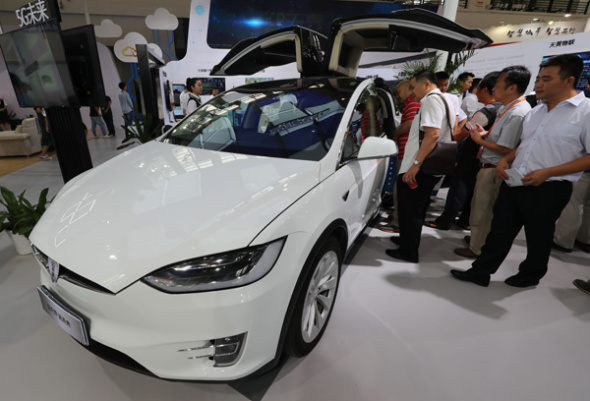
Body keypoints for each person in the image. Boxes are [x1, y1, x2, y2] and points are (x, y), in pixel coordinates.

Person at [451, 54, 590, 288]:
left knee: (538, 236)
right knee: (499, 230)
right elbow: (525, 144)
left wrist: (548, 172)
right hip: (515, 180)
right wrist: (506, 159)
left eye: (546, 79)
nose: (539, 84)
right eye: (539, 78)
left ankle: (530, 275)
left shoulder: (585, 113)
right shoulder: (537, 110)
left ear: (569, 81)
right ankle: (480, 271)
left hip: (550, 187)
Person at [454, 65, 531, 259]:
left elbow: (508, 148)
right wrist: (486, 134)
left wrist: (480, 140)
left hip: (494, 168)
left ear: (511, 88)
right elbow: (503, 138)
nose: (493, 89)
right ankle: (477, 240)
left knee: (483, 211)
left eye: (498, 84)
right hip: (489, 166)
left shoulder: (517, 112)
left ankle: (477, 248)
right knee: (480, 208)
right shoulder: (509, 107)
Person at [385, 69, 456, 263]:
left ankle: (409, 252)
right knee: (415, 208)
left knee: (411, 209)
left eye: (413, 87)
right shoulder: (446, 99)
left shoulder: (431, 100)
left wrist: (416, 164)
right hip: (428, 166)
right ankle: (406, 241)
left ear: (426, 84)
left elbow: (432, 134)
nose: (412, 91)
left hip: (419, 167)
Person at [425, 72, 502, 231]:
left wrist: (445, 137)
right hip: (483, 157)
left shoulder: (485, 112)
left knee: (459, 187)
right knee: (471, 189)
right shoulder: (501, 108)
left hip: (471, 156)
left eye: (478, 88)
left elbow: (463, 134)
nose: (475, 91)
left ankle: (444, 221)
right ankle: (464, 220)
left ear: (486, 90)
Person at [385, 80, 420, 231]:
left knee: (400, 190)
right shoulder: (411, 104)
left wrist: (395, 133)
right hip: (408, 153)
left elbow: (411, 122)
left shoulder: (412, 104)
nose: (397, 97)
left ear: (408, 89)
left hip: (407, 154)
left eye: (398, 93)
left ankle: (397, 223)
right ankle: (398, 218)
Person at [552, 170, 590, 253]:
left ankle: (563, 241)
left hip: (584, 170)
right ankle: (585, 239)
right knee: (588, 205)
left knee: (573, 204)